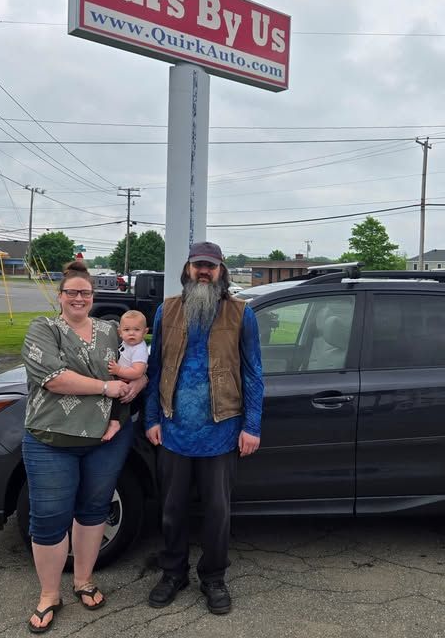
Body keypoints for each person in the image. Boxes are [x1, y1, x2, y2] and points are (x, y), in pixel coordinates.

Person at [21, 261, 147, 633]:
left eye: (85, 292)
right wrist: (108, 387)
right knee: (48, 519)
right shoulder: (43, 328)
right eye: (71, 292)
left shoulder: (112, 330)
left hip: (106, 439)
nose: (78, 298)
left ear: (93, 297)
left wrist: (136, 385)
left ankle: (83, 581)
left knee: (93, 510)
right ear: (60, 296)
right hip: (51, 439)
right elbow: (54, 379)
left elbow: (139, 363)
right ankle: (48, 595)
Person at [144, 241, 264, 616]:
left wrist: (252, 426)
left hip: (222, 430)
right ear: (187, 268)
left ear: (221, 271)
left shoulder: (241, 314)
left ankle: (213, 577)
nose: (204, 272)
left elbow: (253, 373)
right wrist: (151, 418)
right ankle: (173, 573)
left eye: (210, 267)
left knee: (217, 512)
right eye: (198, 265)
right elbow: (155, 369)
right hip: (174, 430)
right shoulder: (168, 311)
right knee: (172, 509)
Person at [104, 309, 149, 441]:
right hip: (122, 377)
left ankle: (114, 422)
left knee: (116, 400)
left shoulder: (139, 349)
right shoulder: (126, 343)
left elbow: (138, 372)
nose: (131, 334)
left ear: (145, 332)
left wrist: (118, 371)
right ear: (120, 332)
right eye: (127, 330)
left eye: (136, 330)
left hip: (128, 382)